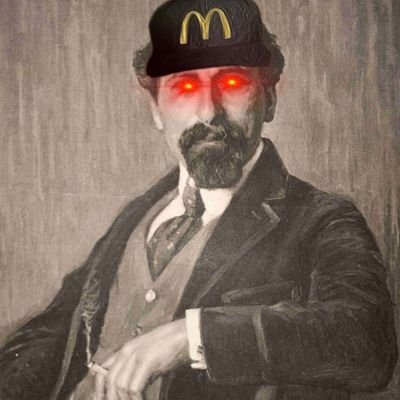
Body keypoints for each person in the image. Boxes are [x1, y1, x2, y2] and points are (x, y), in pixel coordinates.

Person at [0, 0, 397, 399]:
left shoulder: (321, 219)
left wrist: (191, 336)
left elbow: (367, 342)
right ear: (156, 110)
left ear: (270, 97)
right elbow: (55, 332)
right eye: (185, 87)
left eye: (233, 82)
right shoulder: (141, 213)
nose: (209, 111)